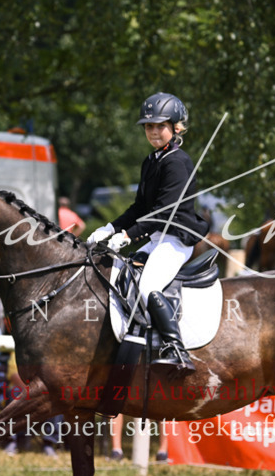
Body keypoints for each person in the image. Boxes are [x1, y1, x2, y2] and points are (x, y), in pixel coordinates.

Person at [87, 92, 210, 375]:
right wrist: (110, 228)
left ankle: (176, 349)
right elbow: (141, 208)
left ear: (176, 127)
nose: (153, 131)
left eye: (160, 126)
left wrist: (127, 236)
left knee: (147, 286)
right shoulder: (152, 160)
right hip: (156, 238)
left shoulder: (176, 162)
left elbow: (163, 212)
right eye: (149, 126)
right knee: (120, 277)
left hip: (176, 240)